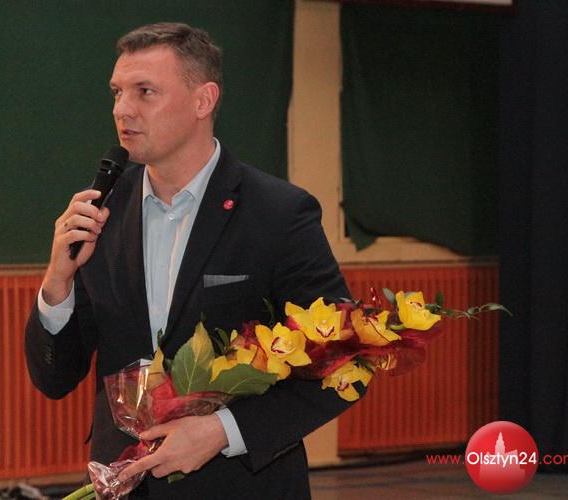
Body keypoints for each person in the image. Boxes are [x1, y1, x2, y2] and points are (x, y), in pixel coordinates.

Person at [25, 22, 362, 499]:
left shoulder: (278, 213)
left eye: (145, 92)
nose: (123, 109)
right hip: (125, 485)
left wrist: (223, 431)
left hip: (239, 486)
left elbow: (344, 363)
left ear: (203, 100)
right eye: (117, 92)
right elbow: (55, 379)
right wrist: (57, 284)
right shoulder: (101, 212)